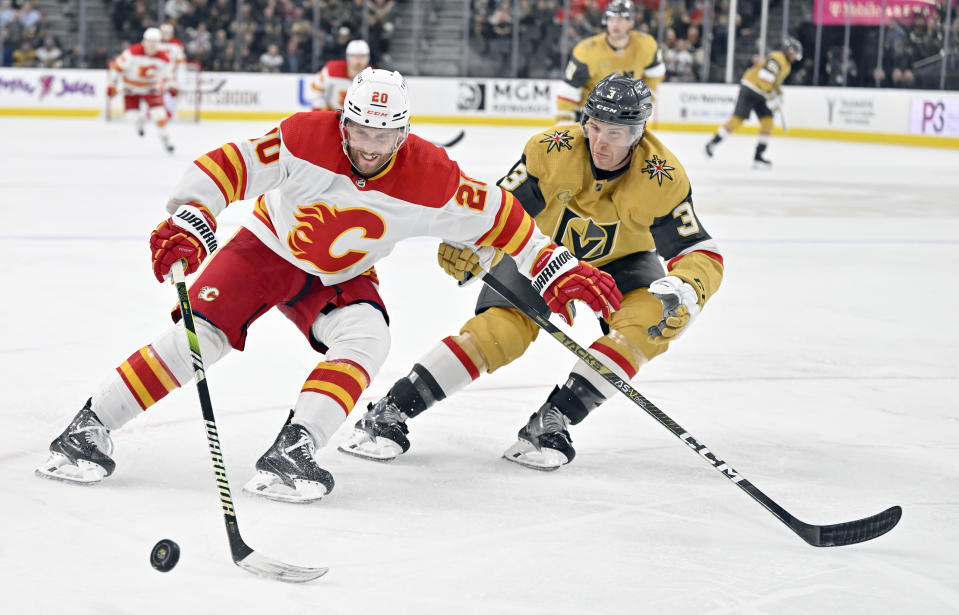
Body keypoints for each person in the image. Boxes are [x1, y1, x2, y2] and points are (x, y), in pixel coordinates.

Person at [34, 68, 621, 503]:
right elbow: (229, 164)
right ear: (344, 120)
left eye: (381, 137)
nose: (367, 147)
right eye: (358, 130)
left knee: (368, 337)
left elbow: (501, 216)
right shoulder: (304, 138)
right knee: (201, 337)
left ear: (403, 134)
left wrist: (556, 267)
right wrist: (193, 214)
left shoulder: (431, 176)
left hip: (341, 273)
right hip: (267, 247)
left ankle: (294, 449)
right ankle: (90, 425)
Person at [340, 74, 724, 471]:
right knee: (500, 333)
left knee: (650, 322)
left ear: (639, 132)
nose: (600, 143)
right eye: (593, 127)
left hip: (622, 262)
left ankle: (552, 421)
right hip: (541, 253)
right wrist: (472, 242)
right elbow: (499, 208)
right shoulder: (551, 150)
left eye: (615, 133)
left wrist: (687, 287)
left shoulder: (662, 177)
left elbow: (699, 249)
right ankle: (390, 411)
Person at [555, 0, 665, 124]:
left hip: (626, 118)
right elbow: (569, 89)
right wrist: (564, 123)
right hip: (590, 117)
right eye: (611, 19)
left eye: (621, 19)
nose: (615, 24)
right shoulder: (587, 50)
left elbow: (655, 75)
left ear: (632, 22)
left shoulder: (646, 45)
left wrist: (644, 101)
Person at [704, 36, 803, 167]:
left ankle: (758, 155)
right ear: (789, 50)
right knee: (737, 119)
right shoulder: (777, 58)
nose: (795, 56)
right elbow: (765, 77)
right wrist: (772, 96)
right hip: (751, 88)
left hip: (762, 93)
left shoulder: (787, 66)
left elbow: (773, 82)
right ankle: (712, 143)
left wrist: (777, 92)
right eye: (794, 53)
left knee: (768, 122)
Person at [107, 27, 175, 153]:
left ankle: (165, 137)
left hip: (150, 88)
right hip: (130, 88)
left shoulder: (164, 57)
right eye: (149, 41)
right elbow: (116, 68)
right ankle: (139, 124)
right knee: (132, 116)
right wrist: (112, 85)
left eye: (154, 42)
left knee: (159, 114)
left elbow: (167, 75)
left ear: (159, 43)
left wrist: (170, 85)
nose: (151, 45)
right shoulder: (132, 52)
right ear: (144, 41)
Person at [310, 39, 370, 111]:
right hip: (333, 115)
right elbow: (316, 88)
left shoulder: (373, 76)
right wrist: (320, 109)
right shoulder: (332, 69)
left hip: (357, 119)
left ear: (368, 57)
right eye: (355, 56)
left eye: (362, 56)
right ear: (348, 56)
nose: (358, 60)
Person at [157, 23, 186, 121]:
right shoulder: (156, 43)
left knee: (172, 93)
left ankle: (170, 111)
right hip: (157, 76)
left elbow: (181, 63)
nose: (166, 35)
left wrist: (180, 79)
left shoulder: (176, 44)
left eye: (168, 32)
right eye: (164, 32)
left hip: (171, 77)